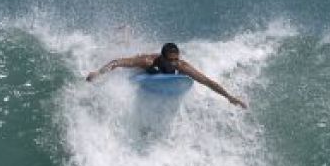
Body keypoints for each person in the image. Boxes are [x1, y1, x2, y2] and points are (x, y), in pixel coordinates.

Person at [85, 42, 248, 108]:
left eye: (176, 59)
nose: (174, 63)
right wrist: (98, 73)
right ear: (162, 58)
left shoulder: (181, 65)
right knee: (130, 56)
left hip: (160, 74)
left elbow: (206, 81)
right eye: (171, 60)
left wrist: (229, 97)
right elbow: (116, 63)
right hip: (147, 71)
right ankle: (125, 36)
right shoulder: (149, 61)